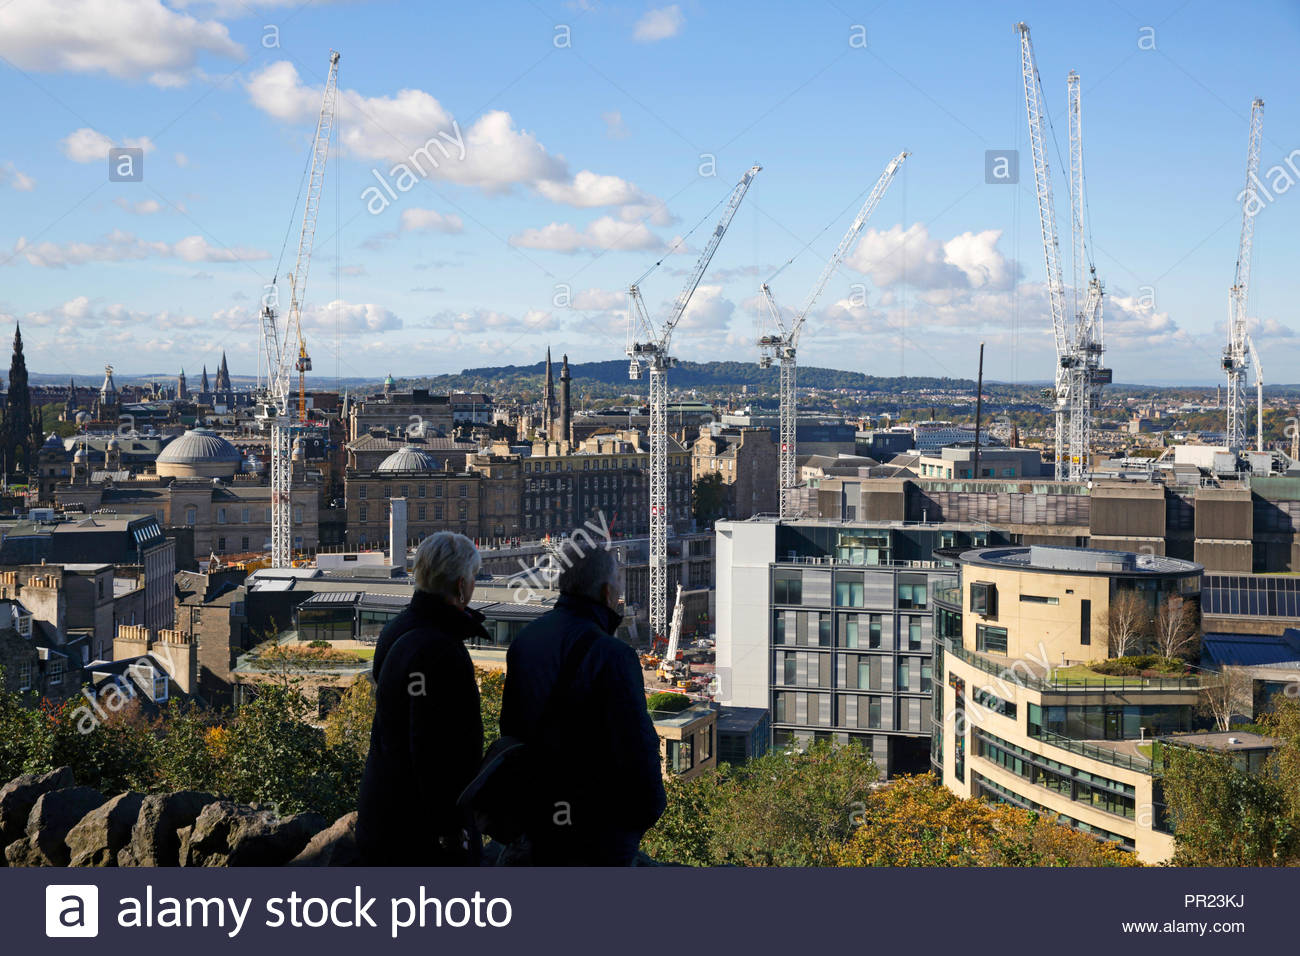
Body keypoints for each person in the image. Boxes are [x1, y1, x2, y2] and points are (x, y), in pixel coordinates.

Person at [500, 541, 666, 865]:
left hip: (537, 825)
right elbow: (639, 751)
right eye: (617, 589)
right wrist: (630, 830)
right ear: (607, 593)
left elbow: (511, 733)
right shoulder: (614, 655)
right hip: (594, 836)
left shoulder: (524, 641)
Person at [356, 532, 487, 865]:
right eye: (472, 578)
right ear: (461, 585)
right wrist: (449, 828)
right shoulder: (440, 649)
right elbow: (431, 748)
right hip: (418, 834)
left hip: (384, 812)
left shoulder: (397, 629)